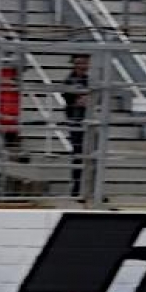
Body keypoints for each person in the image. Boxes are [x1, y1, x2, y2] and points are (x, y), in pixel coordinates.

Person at [63, 54, 90, 199]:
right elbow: (70, 99)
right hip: (76, 121)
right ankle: (77, 188)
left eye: (85, 62)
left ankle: (89, 189)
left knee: (92, 155)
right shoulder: (69, 80)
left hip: (89, 121)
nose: (83, 66)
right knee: (78, 154)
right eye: (80, 62)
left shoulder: (89, 79)